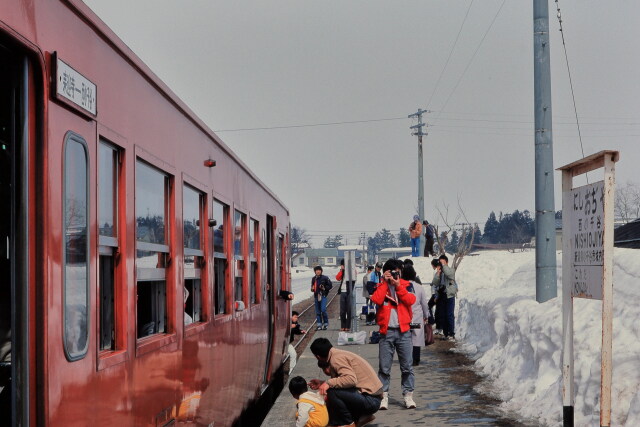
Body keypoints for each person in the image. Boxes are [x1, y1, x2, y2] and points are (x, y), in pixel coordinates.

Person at [370, 259, 417, 410]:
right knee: (384, 367)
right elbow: (375, 299)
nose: (397, 274)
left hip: (404, 332)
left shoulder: (407, 285)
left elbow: (411, 300)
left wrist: (398, 287)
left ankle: (408, 395)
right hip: (386, 332)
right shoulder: (381, 286)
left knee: (407, 367)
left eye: (399, 271)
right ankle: (383, 396)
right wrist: (385, 282)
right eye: (393, 272)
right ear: (387, 272)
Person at [309, 338, 382, 427]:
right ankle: (362, 417)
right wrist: (323, 383)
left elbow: (350, 379)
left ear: (318, 356)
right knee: (333, 389)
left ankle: (347, 423)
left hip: (371, 400)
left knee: (332, 392)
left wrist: (328, 383)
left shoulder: (336, 359)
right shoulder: (337, 354)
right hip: (371, 398)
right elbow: (345, 381)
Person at [402, 264, 430, 366]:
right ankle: (416, 359)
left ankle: (407, 358)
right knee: (416, 338)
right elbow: (424, 303)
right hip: (417, 317)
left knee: (406, 338)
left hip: (405, 317)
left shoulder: (401, 287)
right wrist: (426, 315)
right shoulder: (419, 287)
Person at [438, 255, 458, 340]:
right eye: (440, 262)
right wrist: (437, 274)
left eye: (443, 262)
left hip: (449, 295)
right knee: (443, 314)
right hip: (442, 295)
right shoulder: (441, 272)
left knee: (449, 314)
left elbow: (449, 274)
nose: (441, 264)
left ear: (446, 262)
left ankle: (451, 333)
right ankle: (446, 333)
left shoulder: (451, 270)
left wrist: (444, 266)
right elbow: (435, 282)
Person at [336, 259, 357, 331]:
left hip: (349, 292)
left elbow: (355, 277)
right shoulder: (342, 271)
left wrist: (350, 270)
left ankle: (348, 326)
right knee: (342, 311)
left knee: (349, 310)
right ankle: (343, 325)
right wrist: (342, 270)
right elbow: (337, 278)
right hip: (343, 291)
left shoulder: (352, 271)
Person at [311, 266, 333, 330]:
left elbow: (330, 285)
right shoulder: (313, 279)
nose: (318, 271)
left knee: (323, 310)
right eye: (316, 270)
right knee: (318, 311)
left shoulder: (325, 278)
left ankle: (326, 323)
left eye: (319, 270)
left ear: (321, 271)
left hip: (323, 295)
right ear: (315, 271)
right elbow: (312, 287)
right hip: (316, 296)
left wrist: (324, 288)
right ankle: (319, 324)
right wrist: (312, 289)